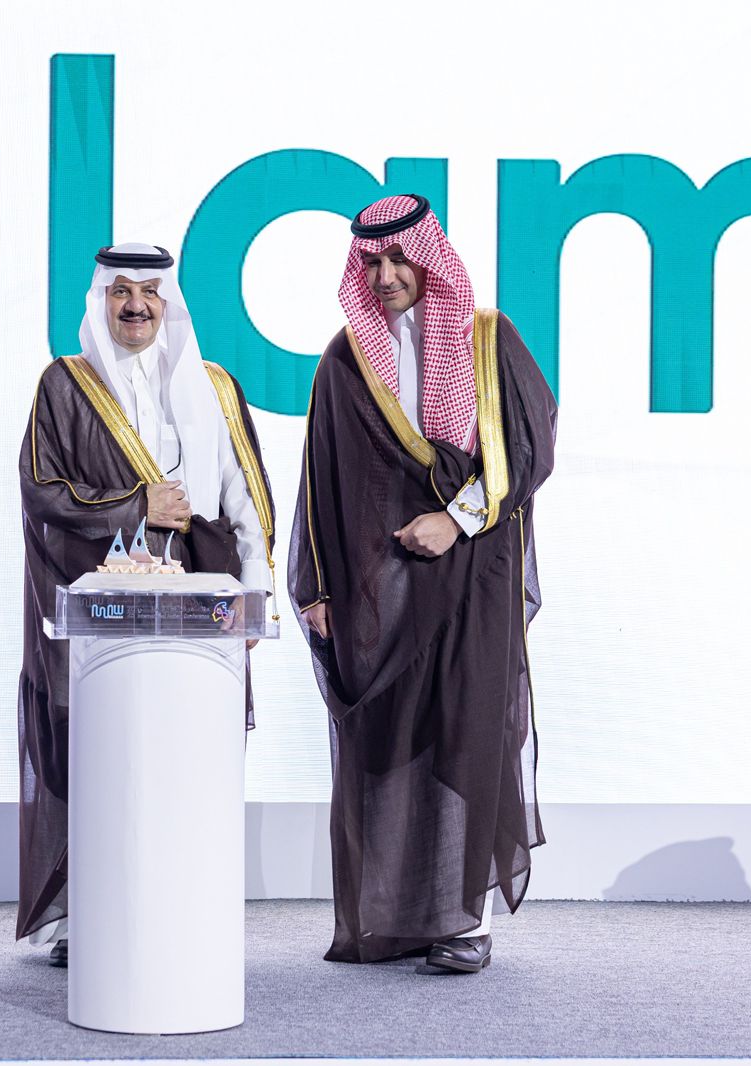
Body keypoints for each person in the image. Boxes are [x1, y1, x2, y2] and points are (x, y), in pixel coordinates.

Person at [289, 195, 557, 973]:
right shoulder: (345, 360)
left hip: (475, 576)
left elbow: (529, 450)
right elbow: (322, 481)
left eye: (399, 258)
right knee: (389, 744)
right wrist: (315, 589)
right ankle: (397, 919)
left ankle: (463, 921)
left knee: (469, 736)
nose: (385, 276)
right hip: (383, 592)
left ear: (428, 256)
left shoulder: (488, 340)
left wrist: (457, 519)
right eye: (370, 262)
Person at [17, 243, 277, 965]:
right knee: (98, 757)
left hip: (198, 610)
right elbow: (41, 490)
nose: (135, 305)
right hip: (100, 609)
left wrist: (256, 593)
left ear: (169, 302)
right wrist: (137, 506)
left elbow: (244, 497)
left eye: (149, 292)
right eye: (120, 292)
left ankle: (182, 909)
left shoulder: (214, 386)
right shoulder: (65, 385)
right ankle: (84, 916)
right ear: (100, 300)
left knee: (185, 753)